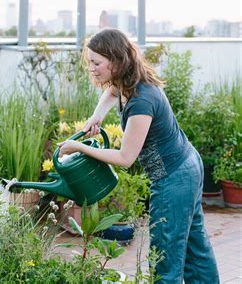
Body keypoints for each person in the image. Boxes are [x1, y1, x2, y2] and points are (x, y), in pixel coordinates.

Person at [57, 28, 219, 283]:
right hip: (186, 165)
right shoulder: (128, 81)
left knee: (165, 258)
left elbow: (125, 158)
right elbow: (111, 93)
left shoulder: (142, 101)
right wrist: (97, 116)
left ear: (116, 61)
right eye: (90, 62)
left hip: (173, 177)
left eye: (96, 62)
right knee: (194, 247)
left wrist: (80, 147)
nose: (91, 68)